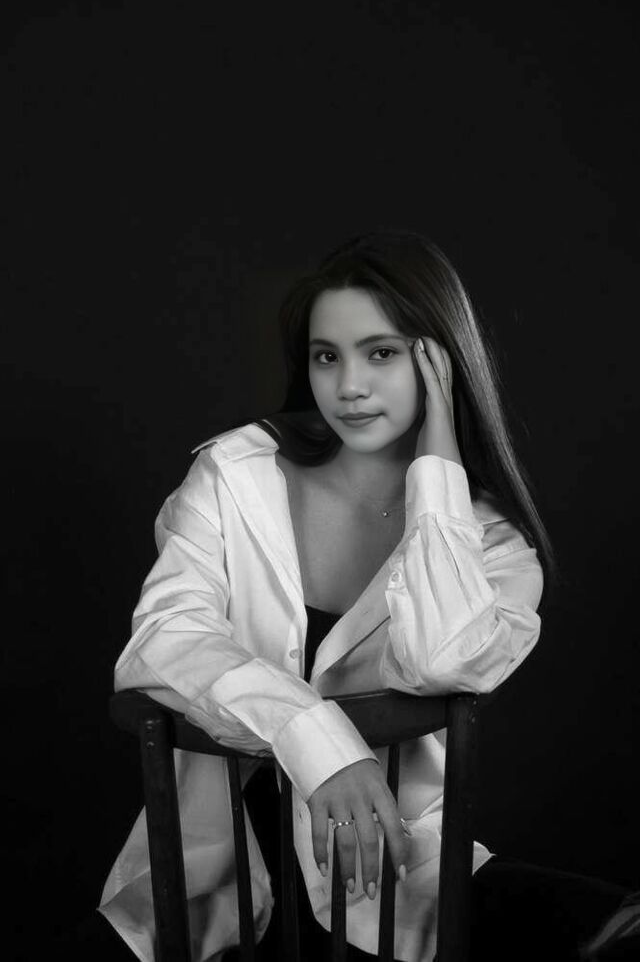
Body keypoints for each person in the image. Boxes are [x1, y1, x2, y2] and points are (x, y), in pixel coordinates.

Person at [90, 231, 637, 961]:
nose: (348, 385)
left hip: (397, 880)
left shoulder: (492, 545)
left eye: (382, 353)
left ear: (441, 361)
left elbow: (441, 660)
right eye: (327, 356)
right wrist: (317, 740)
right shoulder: (235, 474)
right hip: (224, 883)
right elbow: (164, 638)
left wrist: (437, 472)